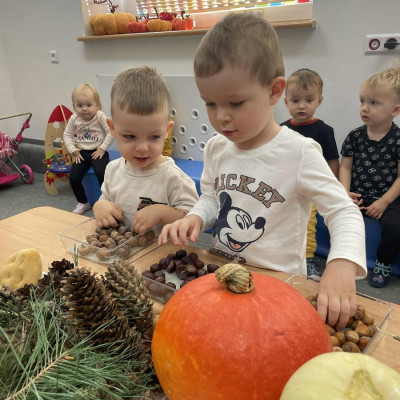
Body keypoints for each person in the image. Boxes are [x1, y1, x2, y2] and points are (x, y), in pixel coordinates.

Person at [158, 13, 367, 331]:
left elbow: (344, 212)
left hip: (279, 287)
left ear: (273, 91)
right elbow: (213, 199)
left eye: (235, 103)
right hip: (224, 276)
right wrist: (196, 217)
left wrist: (341, 264)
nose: (221, 117)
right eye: (210, 103)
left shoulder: (300, 152)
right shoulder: (216, 148)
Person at [93, 66, 199, 233]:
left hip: (160, 249)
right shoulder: (112, 170)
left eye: (154, 137)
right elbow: (106, 201)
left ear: (167, 130)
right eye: (130, 136)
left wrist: (162, 212)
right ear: (112, 128)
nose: (142, 148)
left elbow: (193, 219)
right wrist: (99, 206)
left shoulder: (174, 178)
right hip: (122, 247)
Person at [340, 66, 400, 288]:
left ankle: (383, 264)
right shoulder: (355, 136)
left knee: (395, 225)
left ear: (395, 110)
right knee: (339, 216)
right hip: (357, 193)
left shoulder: (398, 139)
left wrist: (384, 201)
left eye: (374, 103)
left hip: (388, 197)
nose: (364, 108)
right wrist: (345, 193)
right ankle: (342, 259)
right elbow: (346, 168)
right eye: (362, 101)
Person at [281, 68, 340, 278]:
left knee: (307, 224)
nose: (302, 105)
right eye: (295, 100)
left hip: (311, 187)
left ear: (319, 101)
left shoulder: (324, 131)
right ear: (286, 101)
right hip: (285, 186)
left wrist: (329, 188)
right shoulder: (282, 129)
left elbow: (332, 161)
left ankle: (308, 259)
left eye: (308, 100)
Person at [64, 83, 113, 214]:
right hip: (81, 153)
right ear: (74, 106)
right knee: (74, 178)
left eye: (89, 105)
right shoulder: (74, 119)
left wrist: (102, 148)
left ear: (98, 105)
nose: (84, 109)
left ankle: (107, 201)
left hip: (98, 152)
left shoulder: (100, 116)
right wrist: (73, 151)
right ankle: (83, 202)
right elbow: (67, 135)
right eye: (80, 105)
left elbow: (110, 132)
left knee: (101, 173)